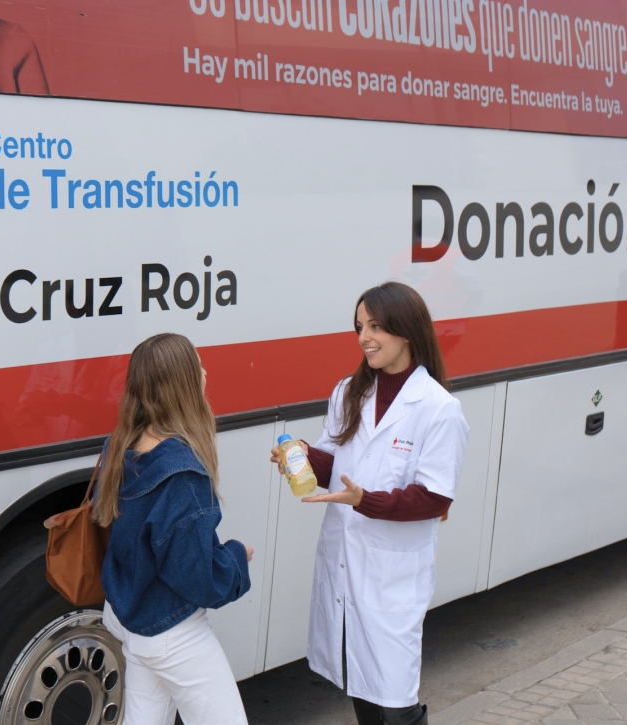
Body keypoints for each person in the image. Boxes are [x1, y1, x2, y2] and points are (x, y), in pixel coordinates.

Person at [271, 282, 469, 725]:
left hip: (391, 576)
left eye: (376, 326)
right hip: (346, 562)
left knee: (396, 702)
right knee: (361, 691)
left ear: (407, 330)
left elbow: (435, 496)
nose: (365, 337)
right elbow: (332, 461)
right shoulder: (348, 392)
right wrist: (300, 455)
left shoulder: (439, 408)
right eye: (360, 327)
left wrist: (366, 501)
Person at [93, 332, 253, 725]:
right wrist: (235, 557)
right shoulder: (181, 473)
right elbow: (196, 577)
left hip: (133, 623)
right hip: (173, 634)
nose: (204, 371)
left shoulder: (118, 448)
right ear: (183, 384)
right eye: (197, 364)